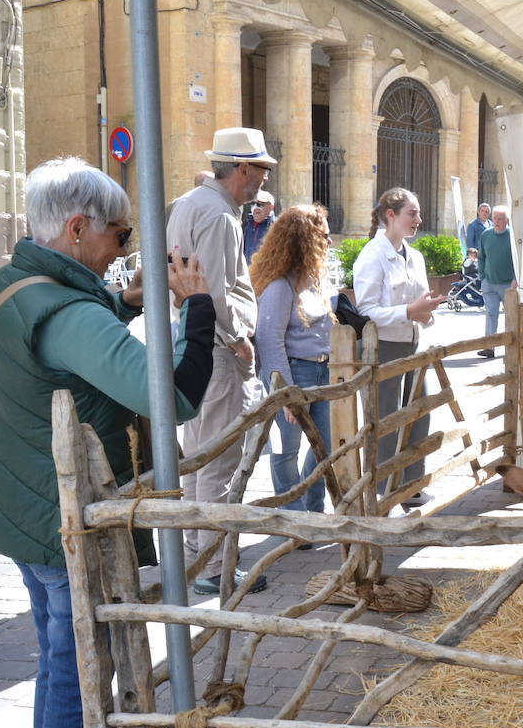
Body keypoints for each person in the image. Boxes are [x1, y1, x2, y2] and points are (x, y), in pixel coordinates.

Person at [0, 157, 215, 728]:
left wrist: (129, 304)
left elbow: (59, 347)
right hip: (63, 515)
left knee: (59, 658)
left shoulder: (10, 285)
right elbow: (172, 394)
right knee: (79, 663)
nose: (124, 248)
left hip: (27, 500)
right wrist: (195, 307)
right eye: (119, 233)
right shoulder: (67, 309)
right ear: (77, 229)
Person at [167, 126, 275, 595]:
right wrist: (238, 341)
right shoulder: (218, 214)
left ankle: (199, 556)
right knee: (219, 458)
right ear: (243, 169)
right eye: (261, 170)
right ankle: (211, 567)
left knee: (200, 452)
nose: (263, 180)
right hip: (216, 345)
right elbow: (213, 291)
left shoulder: (194, 205)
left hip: (197, 341)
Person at [353, 187, 446, 510]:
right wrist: (409, 311)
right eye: (412, 213)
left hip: (412, 343)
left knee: (419, 412)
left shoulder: (415, 256)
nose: (418, 220)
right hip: (383, 348)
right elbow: (365, 311)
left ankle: (411, 484)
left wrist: (426, 312)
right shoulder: (372, 254)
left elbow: (419, 306)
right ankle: (381, 491)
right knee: (386, 420)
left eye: (418, 214)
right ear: (390, 215)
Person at [251, 204, 336, 516]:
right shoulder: (279, 286)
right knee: (287, 450)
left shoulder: (313, 280)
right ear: (304, 240)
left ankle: (312, 511)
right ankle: (292, 517)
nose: (329, 242)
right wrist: (285, 394)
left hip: (322, 370)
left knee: (323, 445)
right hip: (294, 372)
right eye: (322, 237)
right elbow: (269, 340)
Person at [477, 204, 516, 358]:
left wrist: (515, 280)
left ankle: (512, 346)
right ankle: (489, 347)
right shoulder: (486, 235)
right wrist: (482, 277)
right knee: (491, 314)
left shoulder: (512, 237)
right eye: (495, 218)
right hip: (489, 283)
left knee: (511, 316)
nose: (497, 221)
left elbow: (518, 261)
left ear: (507, 221)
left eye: (500, 219)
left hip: (508, 284)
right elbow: (481, 257)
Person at [242, 188, 276, 262]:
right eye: (253, 204)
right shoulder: (246, 224)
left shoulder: (277, 227)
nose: (255, 208)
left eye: (259, 204)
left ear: (271, 207)